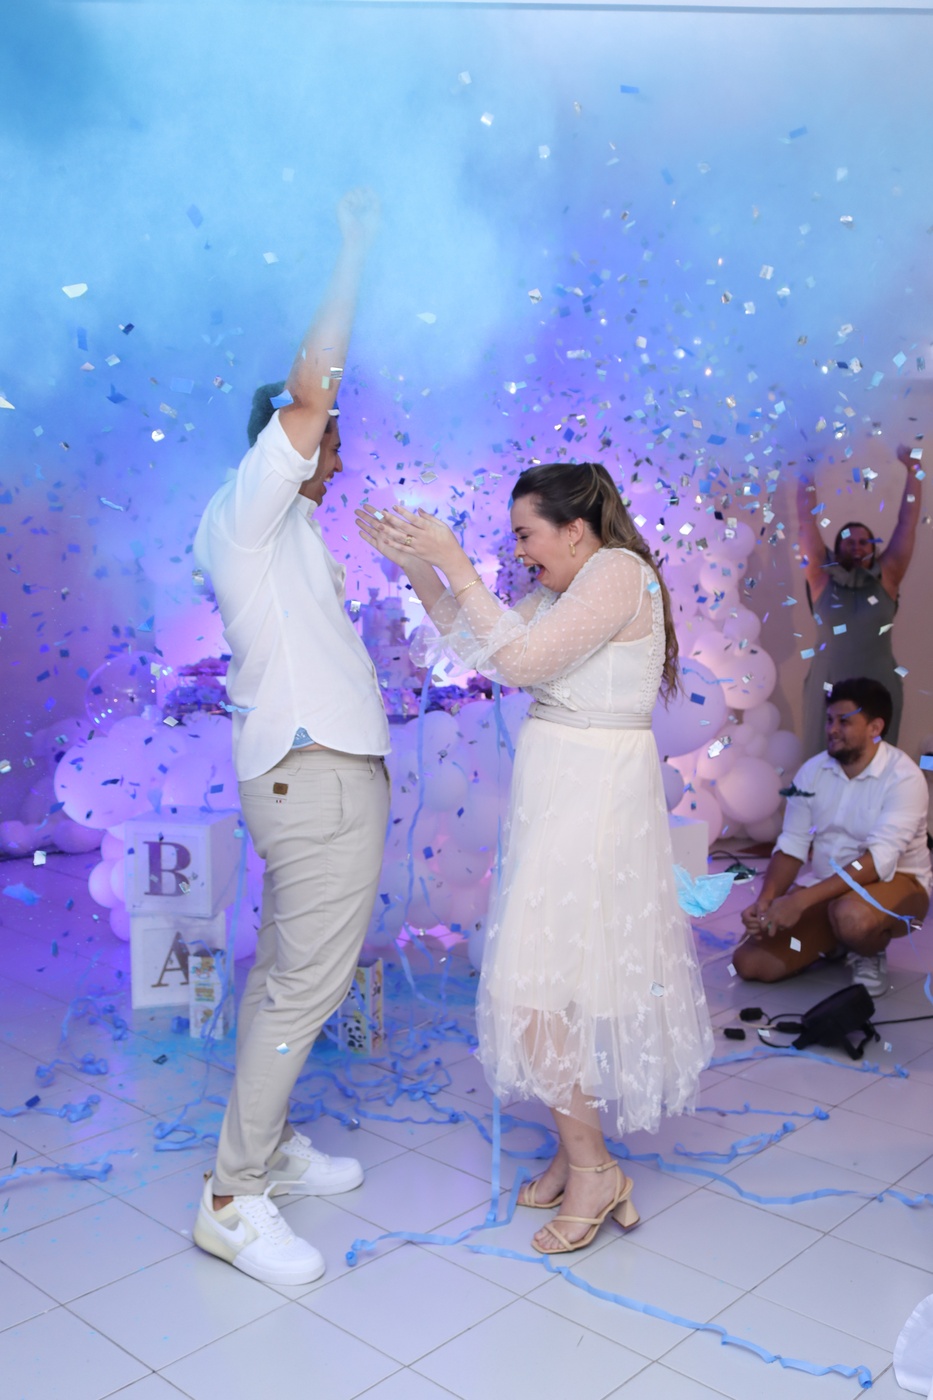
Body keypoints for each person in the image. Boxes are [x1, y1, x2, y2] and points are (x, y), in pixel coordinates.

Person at [357, 463, 712, 1255]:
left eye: (526, 535)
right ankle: (574, 1146)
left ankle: (594, 1171)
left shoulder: (615, 572)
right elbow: (483, 648)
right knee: (557, 984)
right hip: (563, 791)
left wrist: (454, 559)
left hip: (592, 795)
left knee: (539, 987)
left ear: (575, 529)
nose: (519, 551)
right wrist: (418, 566)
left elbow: (520, 664)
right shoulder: (570, 588)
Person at [191, 189, 391, 1286]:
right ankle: (232, 1196)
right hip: (312, 779)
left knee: (284, 976)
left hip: (318, 774)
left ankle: (262, 1155)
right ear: (289, 438)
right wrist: (352, 251)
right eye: (330, 443)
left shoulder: (285, 529)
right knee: (306, 987)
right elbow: (314, 389)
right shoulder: (252, 505)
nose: (339, 458)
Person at [735, 677, 930, 996]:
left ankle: (867, 949)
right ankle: (836, 938)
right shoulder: (812, 771)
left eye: (844, 721)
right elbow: (792, 845)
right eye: (829, 720)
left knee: (851, 916)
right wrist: (766, 901)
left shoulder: (904, 778)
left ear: (875, 727)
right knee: (752, 964)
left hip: (898, 881)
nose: (832, 729)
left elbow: (876, 862)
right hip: (827, 885)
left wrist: (800, 901)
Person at [797, 445, 923, 758]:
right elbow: (806, 522)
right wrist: (807, 470)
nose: (856, 546)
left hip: (878, 685)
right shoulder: (820, 578)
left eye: (864, 541)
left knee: (875, 764)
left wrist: (913, 472)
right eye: (849, 541)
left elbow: (907, 523)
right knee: (823, 763)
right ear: (836, 547)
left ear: (873, 548)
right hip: (827, 686)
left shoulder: (888, 578)